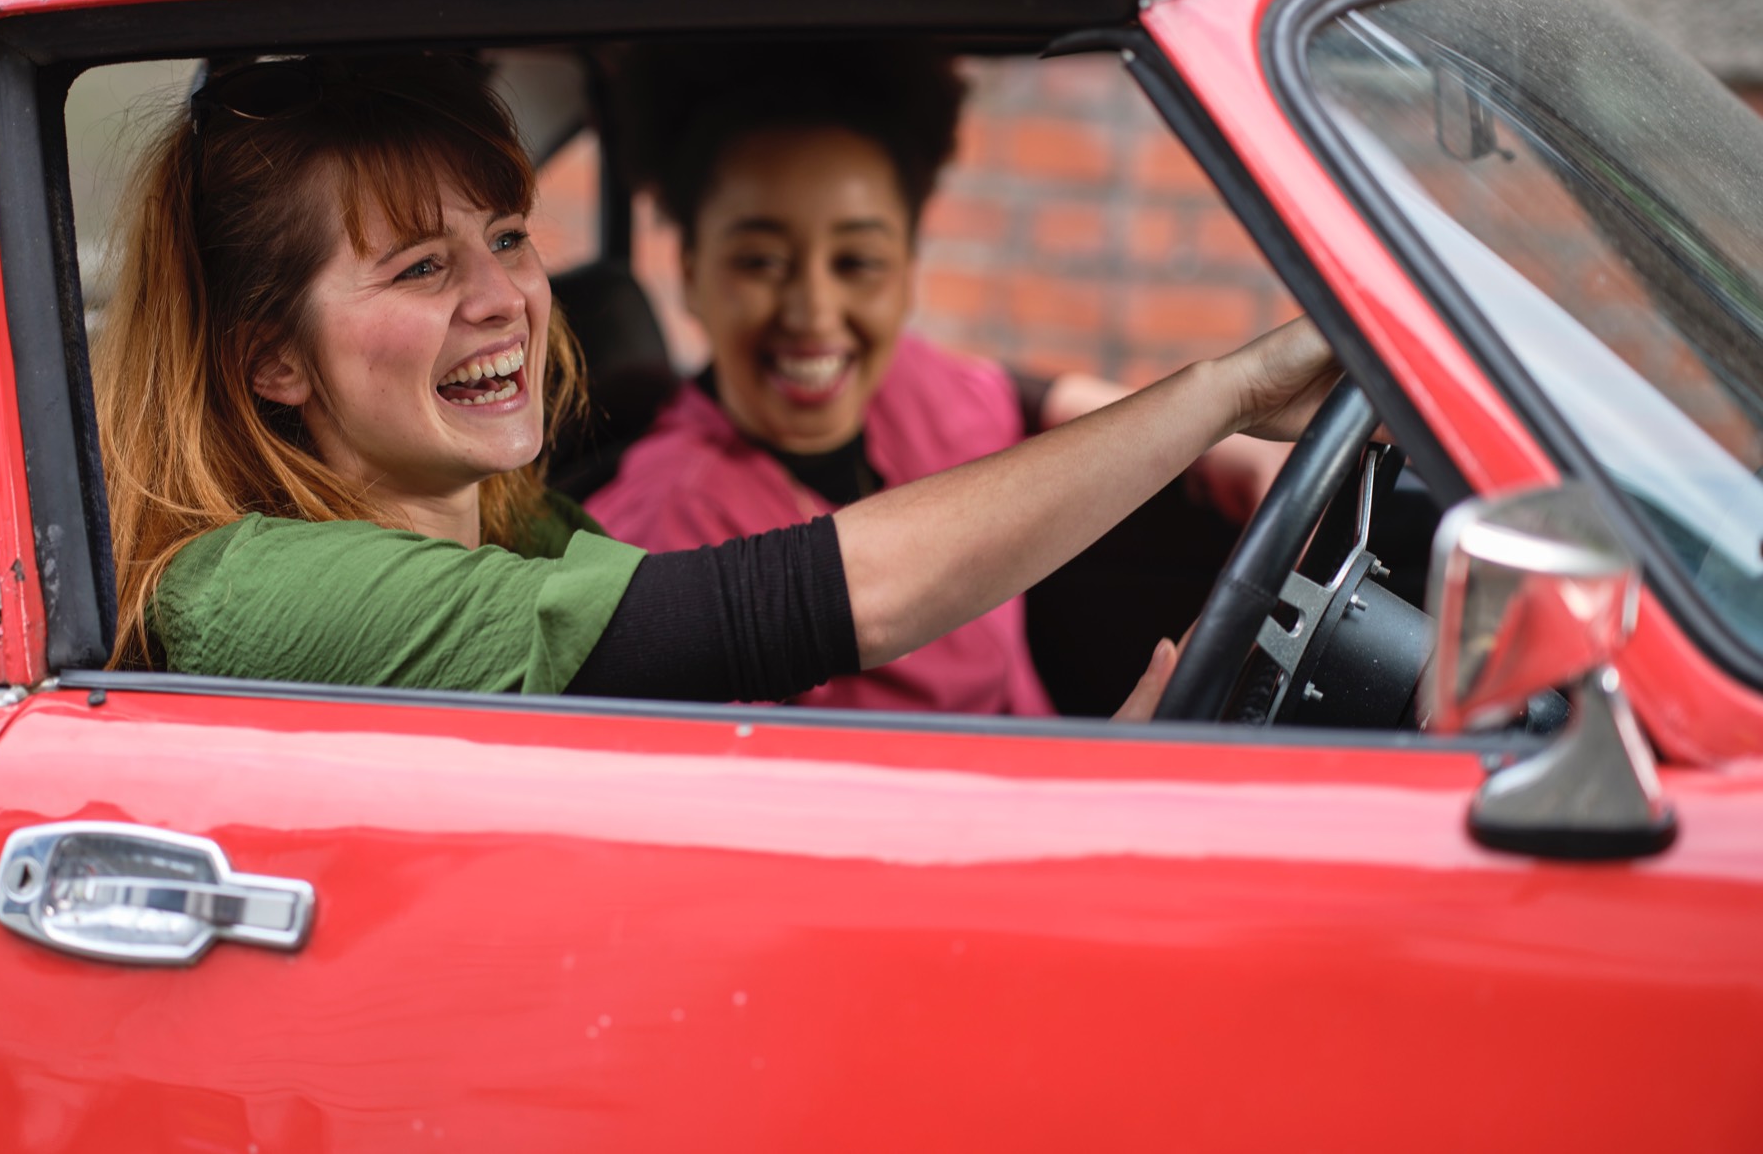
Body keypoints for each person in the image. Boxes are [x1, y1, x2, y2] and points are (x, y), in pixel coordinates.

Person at [94, 52, 1337, 716]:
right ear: (270, 353)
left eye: (510, 237)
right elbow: (785, 607)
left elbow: (993, 399)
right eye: (422, 266)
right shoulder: (246, 590)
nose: (502, 300)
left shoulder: (521, 527)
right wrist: (1224, 386)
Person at [587, 42, 1285, 716]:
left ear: (908, 268)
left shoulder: (913, 388)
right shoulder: (663, 541)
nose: (812, 313)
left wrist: (1223, 441)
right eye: (760, 261)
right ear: (688, 272)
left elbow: (1015, 397)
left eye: (857, 262)